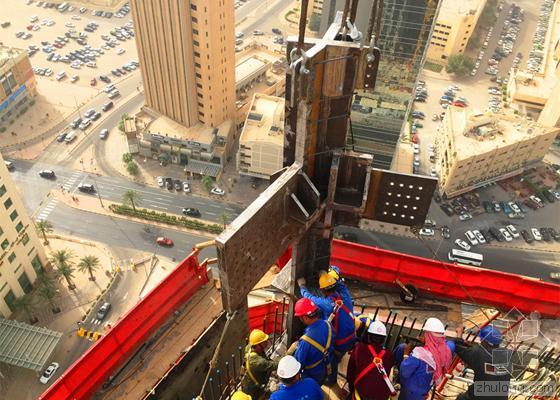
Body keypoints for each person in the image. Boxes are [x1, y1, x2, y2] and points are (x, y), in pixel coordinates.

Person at [297, 267, 355, 385]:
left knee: (332, 361)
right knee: (338, 357)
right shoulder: (345, 294)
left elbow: (309, 297)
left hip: (340, 342)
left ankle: (331, 380)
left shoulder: (326, 304)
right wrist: (326, 277)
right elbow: (341, 285)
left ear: (322, 290)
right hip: (352, 336)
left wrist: (302, 286)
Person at [397, 317, 452, 400]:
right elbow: (449, 343)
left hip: (409, 395)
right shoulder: (445, 352)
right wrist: (428, 342)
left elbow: (404, 372)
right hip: (423, 393)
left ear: (428, 335)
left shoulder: (419, 354)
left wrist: (406, 354)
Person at [454, 325, 511, 400]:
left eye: (481, 340)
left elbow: (459, 347)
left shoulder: (478, 353)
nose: (480, 341)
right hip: (501, 397)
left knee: (461, 398)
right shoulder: (505, 355)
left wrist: (459, 333)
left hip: (480, 396)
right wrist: (468, 346)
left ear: (484, 341)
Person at [347, 320, 396, 400]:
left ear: (369, 337)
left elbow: (350, 372)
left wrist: (351, 386)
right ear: (383, 339)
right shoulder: (389, 355)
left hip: (361, 396)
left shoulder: (359, 348)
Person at [291, 297, 334, 385]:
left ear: (305, 318)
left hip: (311, 374)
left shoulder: (305, 341)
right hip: (325, 367)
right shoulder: (328, 324)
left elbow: (298, 364)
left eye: (300, 317)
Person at [240, 329, 278, 398]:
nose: (266, 342)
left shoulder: (249, 347)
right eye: (264, 341)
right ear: (258, 345)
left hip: (247, 382)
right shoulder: (259, 362)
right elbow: (274, 365)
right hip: (252, 389)